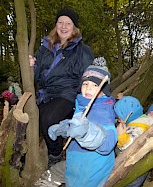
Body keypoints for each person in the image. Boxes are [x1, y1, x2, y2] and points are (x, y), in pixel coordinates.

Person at [35, 57, 118, 187]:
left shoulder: (104, 111)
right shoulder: (81, 104)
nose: (88, 88)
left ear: (103, 90)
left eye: (95, 85)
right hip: (75, 162)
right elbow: (77, 125)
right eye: (85, 84)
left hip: (91, 170)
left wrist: (86, 133)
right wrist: (64, 128)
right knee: (56, 172)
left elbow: (108, 142)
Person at [29, 7, 94, 167]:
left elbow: (89, 77)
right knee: (30, 122)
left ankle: (55, 155)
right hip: (45, 95)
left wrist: (82, 106)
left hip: (67, 95)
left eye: (68, 24)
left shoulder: (82, 51)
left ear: (74, 28)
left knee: (49, 119)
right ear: (56, 25)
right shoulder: (45, 47)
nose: (64, 27)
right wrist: (31, 66)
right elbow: (35, 76)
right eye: (60, 22)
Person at [115, 97, 153, 187]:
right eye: (151, 112)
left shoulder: (143, 125)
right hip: (141, 161)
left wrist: (121, 137)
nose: (152, 116)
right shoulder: (142, 121)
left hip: (133, 163)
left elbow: (130, 146)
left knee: (132, 182)